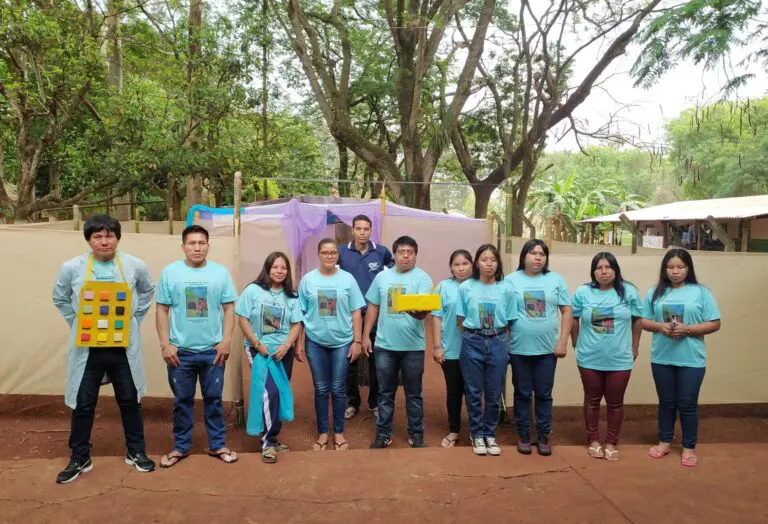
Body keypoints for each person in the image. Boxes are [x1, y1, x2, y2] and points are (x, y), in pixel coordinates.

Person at [53, 215, 156, 484]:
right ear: (88, 240)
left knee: (130, 400)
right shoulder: (72, 267)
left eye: (109, 235)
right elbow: (60, 297)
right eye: (97, 236)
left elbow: (147, 292)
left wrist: (132, 320)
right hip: (88, 348)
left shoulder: (135, 265)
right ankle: (79, 457)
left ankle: (136, 451)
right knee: (83, 403)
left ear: (117, 238)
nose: (104, 241)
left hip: (123, 348)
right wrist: (77, 322)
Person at [156, 225, 238, 467]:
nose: (197, 247)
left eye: (202, 243)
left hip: (213, 352)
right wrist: (165, 344)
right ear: (183, 247)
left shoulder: (220, 274)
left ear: (208, 246)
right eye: (192, 243)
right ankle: (180, 447)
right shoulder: (170, 273)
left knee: (214, 399)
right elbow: (162, 309)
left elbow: (229, 308)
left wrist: (226, 341)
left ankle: (217, 445)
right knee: (182, 400)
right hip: (180, 353)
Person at [641, 248, 721, 467]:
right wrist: (660, 327)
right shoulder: (655, 293)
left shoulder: (701, 293)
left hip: (691, 359)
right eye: (670, 267)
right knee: (666, 403)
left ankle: (688, 447)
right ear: (664, 269)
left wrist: (688, 330)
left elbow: (715, 323)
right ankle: (664, 442)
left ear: (688, 269)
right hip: (662, 357)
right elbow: (643, 321)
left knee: (687, 403)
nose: (675, 271)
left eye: (680, 267)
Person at [570, 252, 643, 461]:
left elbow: (638, 320)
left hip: (620, 358)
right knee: (592, 400)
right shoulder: (584, 292)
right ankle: (593, 440)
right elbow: (574, 319)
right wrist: (575, 342)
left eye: (608, 267)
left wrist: (635, 346)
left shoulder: (628, 291)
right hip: (589, 357)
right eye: (599, 267)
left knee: (615, 402)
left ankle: (611, 442)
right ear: (593, 271)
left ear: (615, 269)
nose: (604, 271)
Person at [364, 235, 433, 449]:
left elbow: (424, 312)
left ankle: (416, 434)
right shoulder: (382, 278)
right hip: (384, 346)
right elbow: (373, 306)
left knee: (414, 393)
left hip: (413, 347)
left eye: (410, 252)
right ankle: (383, 433)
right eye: (401, 252)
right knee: (385, 392)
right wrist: (366, 335)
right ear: (394, 254)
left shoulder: (423, 279)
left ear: (415, 255)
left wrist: (415, 309)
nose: (405, 256)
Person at [505, 239, 572, 456]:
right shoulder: (510, 281)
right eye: (533, 253)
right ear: (524, 256)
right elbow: (503, 315)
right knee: (522, 393)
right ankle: (523, 435)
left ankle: (543, 436)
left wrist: (562, 341)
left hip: (547, 351)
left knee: (544, 394)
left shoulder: (556, 280)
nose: (537, 257)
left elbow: (567, 311)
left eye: (542, 254)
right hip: (518, 349)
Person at [235, 252, 303, 463]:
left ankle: (271, 435)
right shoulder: (253, 291)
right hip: (259, 350)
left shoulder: (291, 296)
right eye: (275, 267)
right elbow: (242, 320)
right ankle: (268, 443)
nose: (279, 271)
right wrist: (257, 344)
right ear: (267, 268)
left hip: (283, 352)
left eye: (283, 268)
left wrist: (286, 346)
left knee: (279, 392)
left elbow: (296, 324)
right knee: (269, 392)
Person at [299, 238, 365, 451]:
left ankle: (338, 433)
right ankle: (322, 433)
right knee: (320, 388)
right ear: (319, 254)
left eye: (333, 253)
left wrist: (357, 341)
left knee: (338, 388)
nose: (329, 256)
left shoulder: (348, 279)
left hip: (342, 342)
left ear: (338, 255)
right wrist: (299, 344)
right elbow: (300, 314)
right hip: (315, 342)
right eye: (325, 252)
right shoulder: (308, 280)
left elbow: (356, 312)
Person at [457, 244, 517, 456]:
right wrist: (477, 333)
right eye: (484, 259)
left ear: (498, 263)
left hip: (498, 342)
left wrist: (495, 335)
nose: (489, 263)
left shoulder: (506, 288)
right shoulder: (466, 287)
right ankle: (476, 434)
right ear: (477, 263)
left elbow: (510, 320)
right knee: (473, 392)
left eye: (493, 259)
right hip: (472, 342)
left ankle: (490, 434)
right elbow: (460, 319)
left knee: (493, 393)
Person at [338, 214, 394, 420]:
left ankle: (374, 402)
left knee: (376, 360)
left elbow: (394, 270)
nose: (362, 232)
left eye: (366, 228)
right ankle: (352, 402)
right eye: (358, 228)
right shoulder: (342, 252)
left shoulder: (381, 251)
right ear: (352, 230)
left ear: (371, 231)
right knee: (350, 360)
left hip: (375, 314)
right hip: (349, 315)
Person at [431, 249, 473, 448]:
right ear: (451, 267)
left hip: (477, 348)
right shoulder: (443, 287)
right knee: (454, 391)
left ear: (472, 265)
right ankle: (454, 430)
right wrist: (438, 346)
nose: (461, 268)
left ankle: (477, 431)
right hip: (451, 349)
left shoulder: (479, 285)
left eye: (465, 263)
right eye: (456, 264)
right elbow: (437, 317)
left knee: (474, 391)